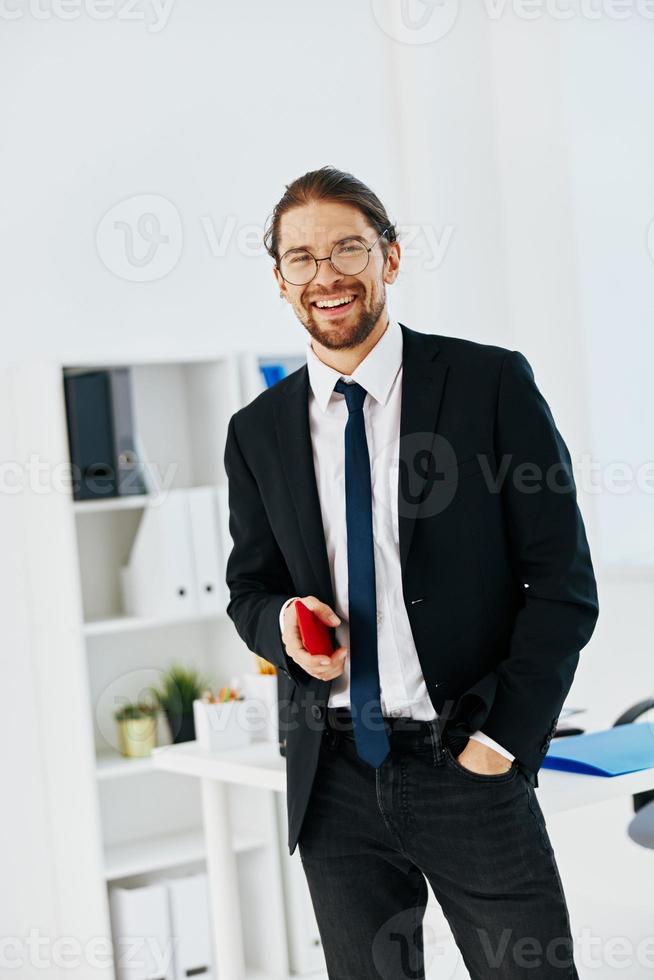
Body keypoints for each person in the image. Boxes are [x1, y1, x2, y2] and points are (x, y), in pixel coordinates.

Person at [223, 166, 599, 979]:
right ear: (280, 279)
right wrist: (284, 624)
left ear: (390, 258)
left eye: (348, 247)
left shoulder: (490, 384)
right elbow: (248, 588)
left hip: (466, 760)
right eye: (301, 258)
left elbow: (562, 585)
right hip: (332, 777)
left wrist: (503, 741)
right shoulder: (257, 431)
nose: (325, 275)